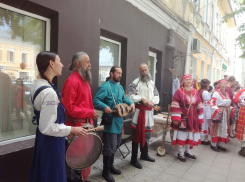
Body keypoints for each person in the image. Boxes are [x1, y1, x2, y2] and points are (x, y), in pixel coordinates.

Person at [30, 51, 88, 182]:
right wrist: (71, 129)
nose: (62, 65)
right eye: (59, 61)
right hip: (51, 142)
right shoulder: (49, 92)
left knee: (43, 173)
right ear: (51, 64)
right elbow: (47, 127)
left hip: (44, 139)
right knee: (52, 175)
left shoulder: (37, 85)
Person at [93, 66, 135, 182]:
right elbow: (95, 101)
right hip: (109, 123)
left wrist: (131, 103)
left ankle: (110, 166)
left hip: (119, 121)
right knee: (109, 147)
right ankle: (105, 171)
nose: (120, 75)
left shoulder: (120, 87)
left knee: (115, 145)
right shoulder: (105, 86)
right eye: (118, 73)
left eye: (121, 73)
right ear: (111, 73)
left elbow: (124, 98)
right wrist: (105, 107)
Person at [62, 52, 99, 182]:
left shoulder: (84, 81)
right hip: (76, 128)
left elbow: (84, 105)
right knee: (75, 163)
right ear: (78, 64)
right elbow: (69, 109)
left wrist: (91, 112)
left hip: (85, 126)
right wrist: (90, 112)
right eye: (87, 62)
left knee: (84, 159)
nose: (90, 65)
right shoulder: (72, 81)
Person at [126, 63, 160, 169]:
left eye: (145, 70)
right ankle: (134, 159)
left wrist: (152, 102)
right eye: (142, 71)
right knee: (136, 136)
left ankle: (144, 154)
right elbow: (129, 96)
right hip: (139, 113)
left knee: (147, 136)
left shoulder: (151, 82)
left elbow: (156, 95)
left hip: (149, 113)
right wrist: (141, 98)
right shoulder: (135, 82)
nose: (144, 72)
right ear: (139, 71)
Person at [170, 74, 204, 162]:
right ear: (183, 81)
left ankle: (187, 151)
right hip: (182, 116)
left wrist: (200, 118)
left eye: (190, 79)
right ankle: (180, 153)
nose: (189, 81)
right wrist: (176, 118)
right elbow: (174, 104)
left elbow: (199, 104)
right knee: (182, 133)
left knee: (190, 134)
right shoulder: (179, 91)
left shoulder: (195, 91)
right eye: (187, 79)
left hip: (193, 117)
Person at [210, 79, 234, 152]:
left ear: (226, 85)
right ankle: (213, 144)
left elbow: (227, 104)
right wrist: (217, 110)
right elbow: (212, 104)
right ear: (219, 85)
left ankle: (219, 144)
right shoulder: (216, 93)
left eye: (224, 84)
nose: (223, 85)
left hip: (225, 112)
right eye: (222, 84)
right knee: (216, 128)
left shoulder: (226, 93)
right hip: (219, 112)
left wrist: (231, 108)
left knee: (223, 127)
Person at [198, 79, 212, 145]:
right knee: (205, 124)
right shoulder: (205, 92)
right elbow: (207, 104)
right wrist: (209, 114)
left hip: (199, 108)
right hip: (205, 109)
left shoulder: (199, 91)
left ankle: (199, 138)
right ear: (207, 85)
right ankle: (205, 139)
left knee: (201, 123)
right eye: (208, 84)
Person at [234, 88, 245, 156]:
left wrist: (239, 105)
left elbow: (236, 99)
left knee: (243, 128)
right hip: (243, 109)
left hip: (243, 109)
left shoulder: (242, 91)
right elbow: (235, 99)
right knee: (243, 128)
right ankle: (243, 147)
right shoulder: (242, 91)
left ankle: (243, 146)